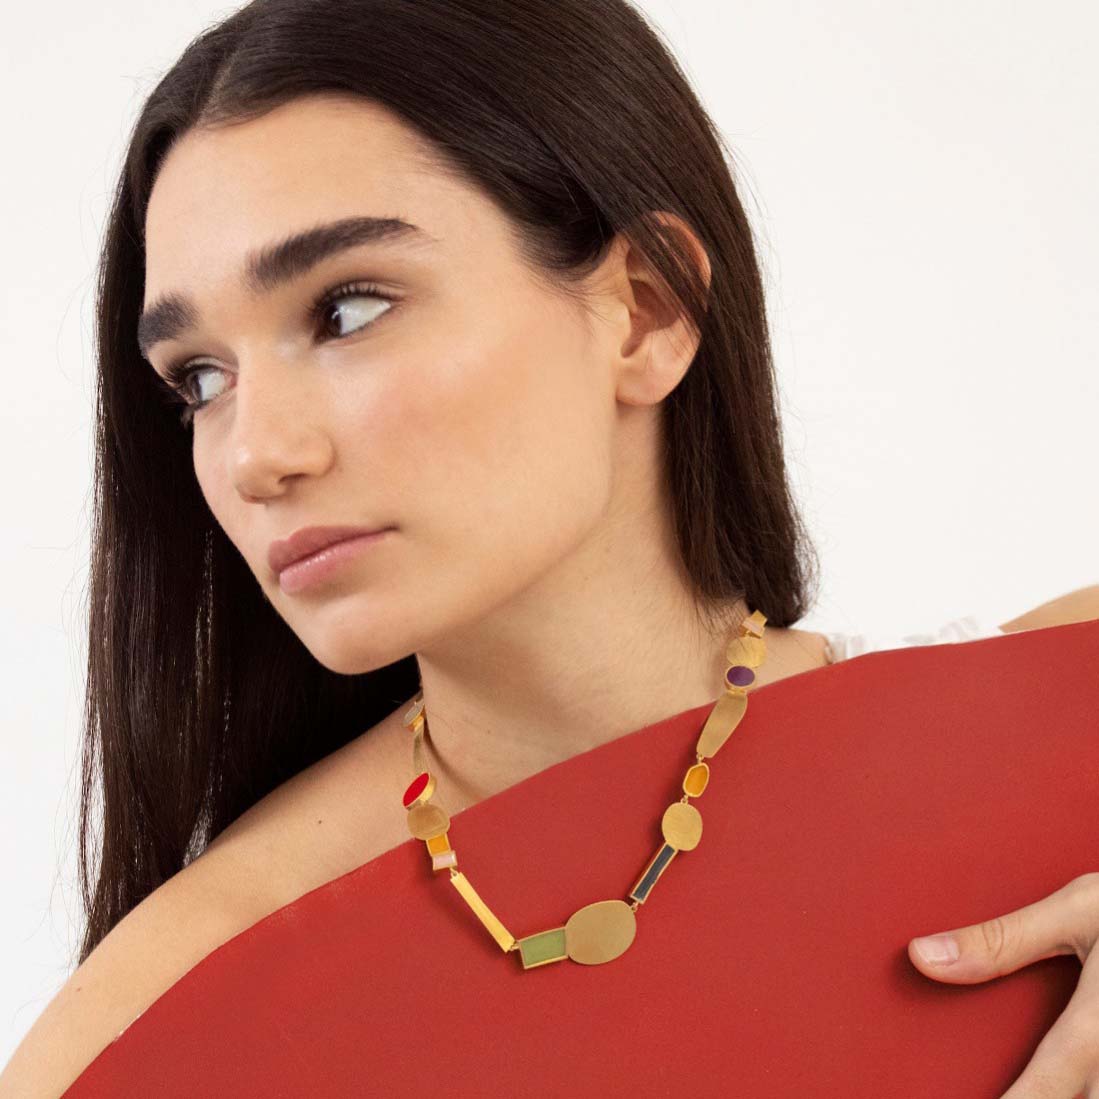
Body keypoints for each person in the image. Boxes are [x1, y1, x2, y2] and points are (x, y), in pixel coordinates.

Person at [2, 0, 1096, 1095]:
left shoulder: (1046, 736)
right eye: (199, 378)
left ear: (645, 308)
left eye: (347, 310)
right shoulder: (166, 1018)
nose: (253, 456)